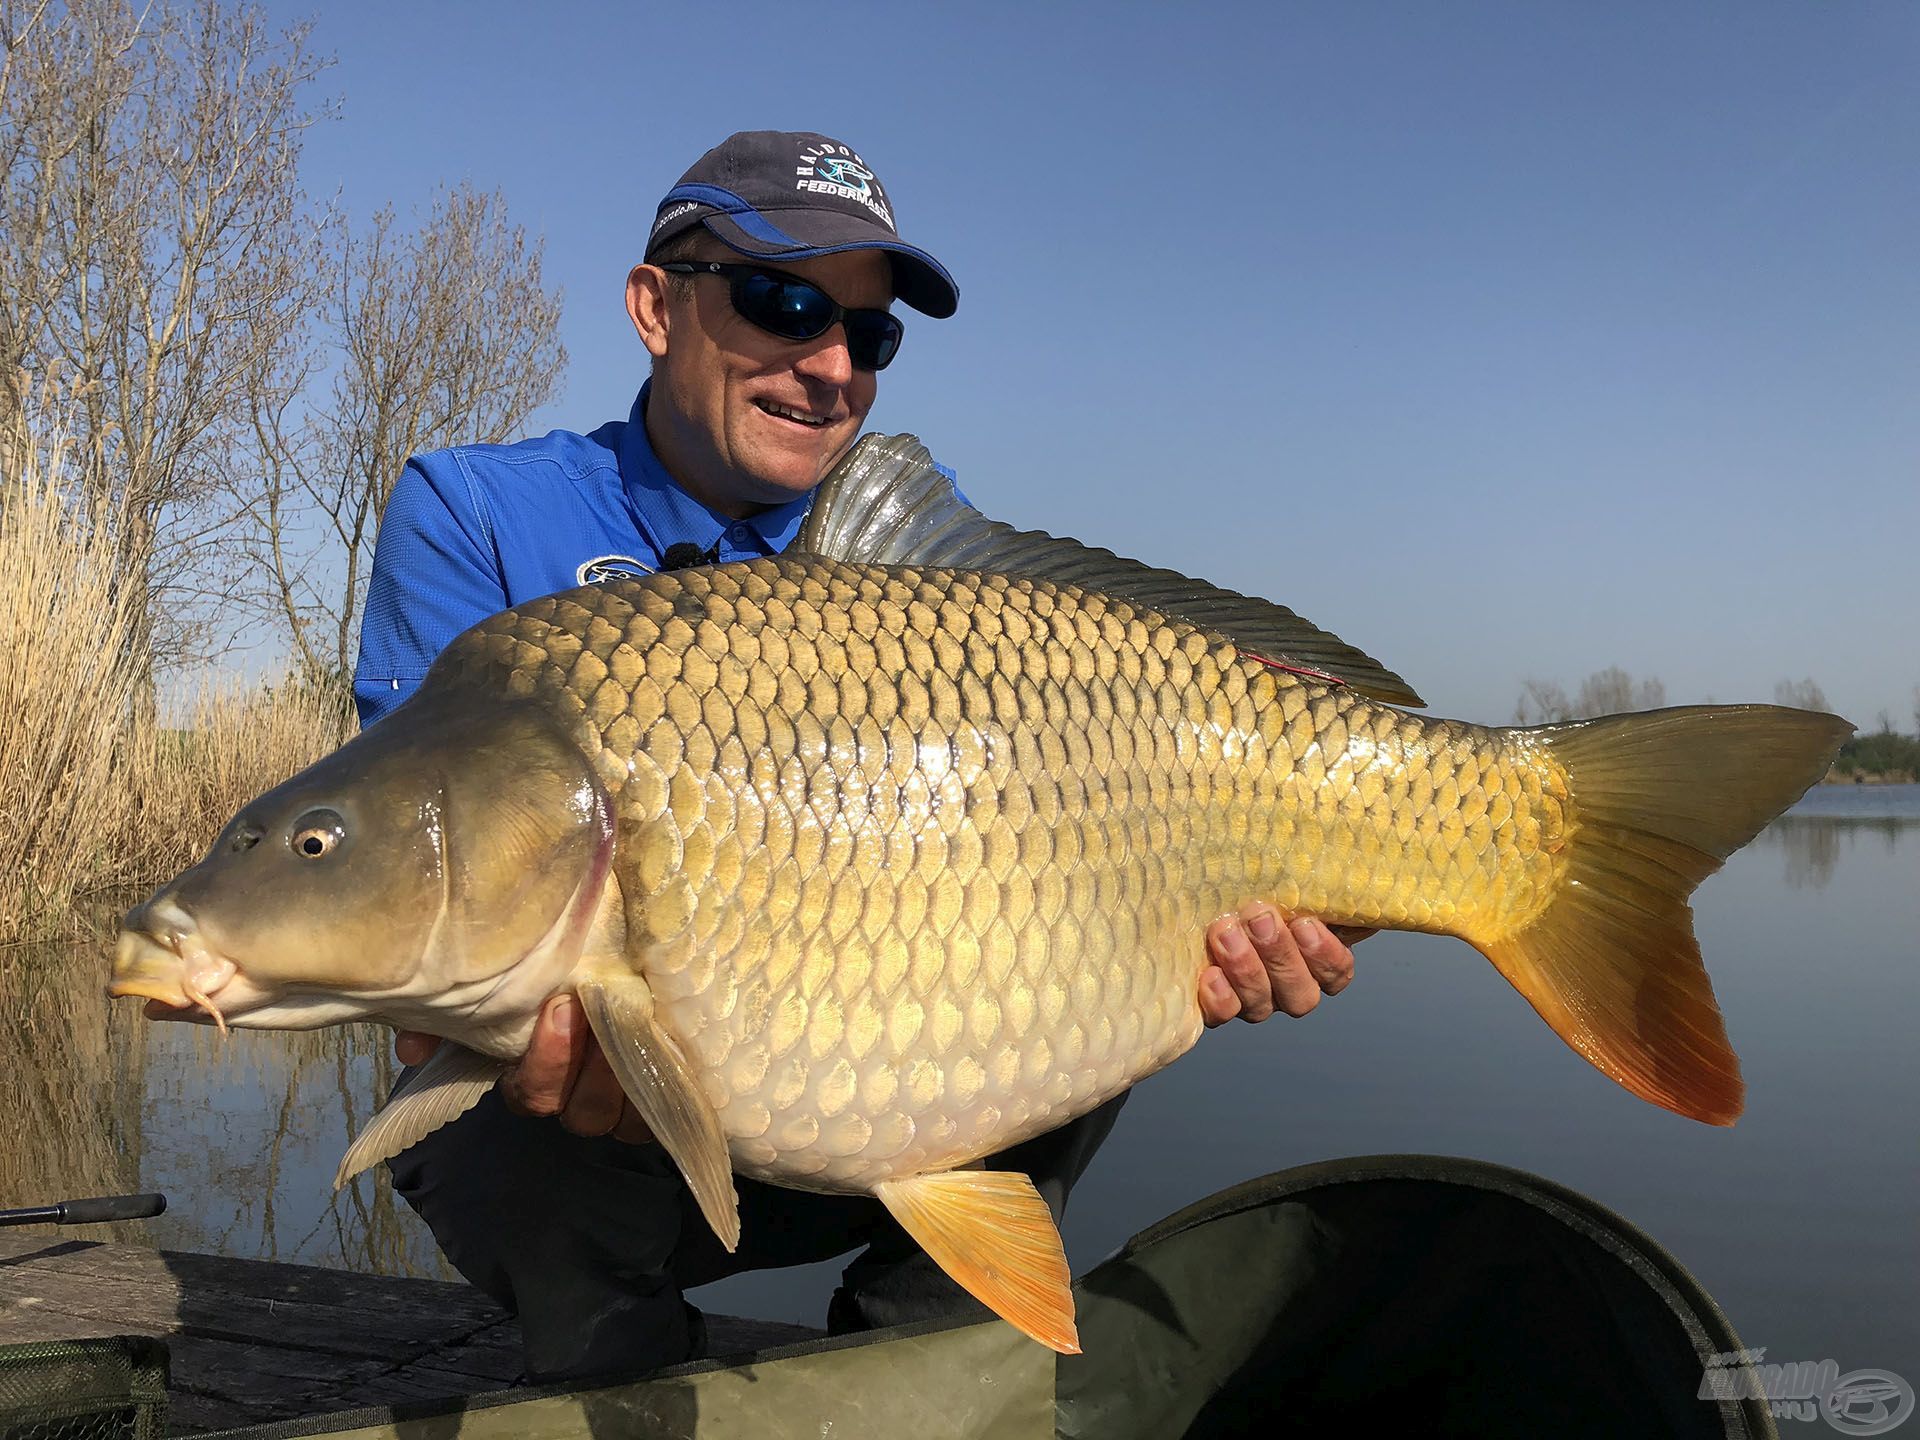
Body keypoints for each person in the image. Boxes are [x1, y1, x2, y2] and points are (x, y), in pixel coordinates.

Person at [352, 129, 1365, 1382]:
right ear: (654, 306)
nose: (830, 364)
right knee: (517, 1094)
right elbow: (416, 878)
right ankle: (620, 1372)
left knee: (1080, 939)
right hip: (585, 1130)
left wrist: (1251, 881)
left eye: (870, 334)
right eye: (784, 303)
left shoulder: (908, 559)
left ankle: (921, 1371)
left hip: (888, 1102)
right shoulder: (478, 515)